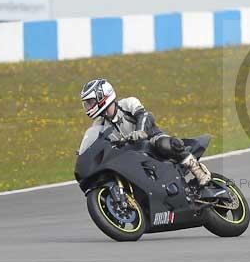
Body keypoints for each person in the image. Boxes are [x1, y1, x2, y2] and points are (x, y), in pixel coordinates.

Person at [79, 78, 211, 185]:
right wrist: (85, 153)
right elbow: (96, 142)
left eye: (90, 102)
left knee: (164, 143)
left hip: (150, 140)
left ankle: (197, 170)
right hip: (128, 154)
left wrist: (140, 131)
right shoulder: (99, 124)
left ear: (102, 96)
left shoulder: (128, 103)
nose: (88, 107)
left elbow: (145, 115)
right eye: (87, 103)